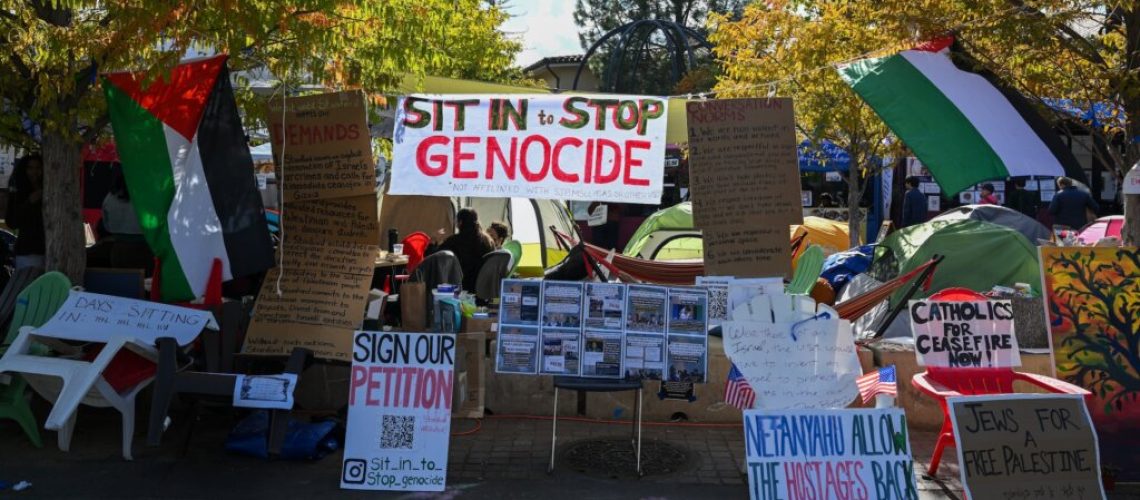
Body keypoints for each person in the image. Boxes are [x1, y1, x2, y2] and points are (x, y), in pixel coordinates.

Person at [101, 173, 153, 271]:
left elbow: (106, 225)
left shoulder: (110, 197)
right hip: (144, 249)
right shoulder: (147, 196)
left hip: (118, 250)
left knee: (122, 283)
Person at [438, 208, 494, 293]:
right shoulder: (488, 241)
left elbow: (435, 257)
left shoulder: (453, 241)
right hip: (484, 290)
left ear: (460, 222)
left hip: (460, 290)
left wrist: (434, 242)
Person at [6, 154, 45, 269]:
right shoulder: (18, 192)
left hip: (49, 249)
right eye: (30, 168)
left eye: (38, 168)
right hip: (29, 252)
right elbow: (12, 221)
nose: (34, 172)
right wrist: (29, 203)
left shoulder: (47, 188)